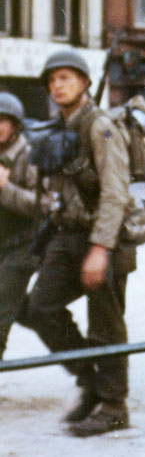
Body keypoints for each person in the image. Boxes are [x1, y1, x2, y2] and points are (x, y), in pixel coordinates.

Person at [20, 51, 135, 435]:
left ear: (84, 83)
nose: (57, 86)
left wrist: (100, 249)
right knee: (40, 307)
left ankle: (115, 403)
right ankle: (90, 380)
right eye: (52, 80)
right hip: (68, 234)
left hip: (105, 236)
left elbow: (116, 192)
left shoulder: (100, 126)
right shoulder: (59, 126)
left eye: (66, 77)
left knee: (106, 321)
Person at [0, 92, 42, 360]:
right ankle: (78, 357)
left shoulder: (29, 155)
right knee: (30, 312)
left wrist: (5, 188)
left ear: (16, 125)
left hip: (23, 246)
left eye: (4, 120)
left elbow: (41, 204)